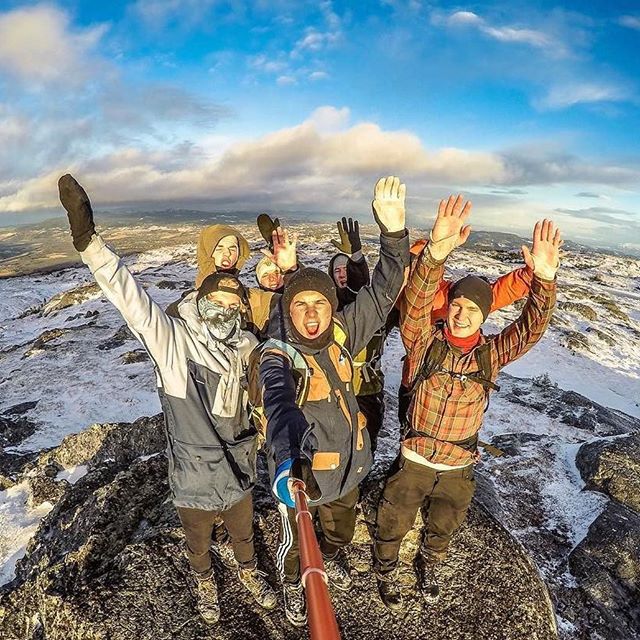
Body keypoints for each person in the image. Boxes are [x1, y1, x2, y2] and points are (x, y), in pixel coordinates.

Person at [57, 174, 277, 625]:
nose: (227, 310)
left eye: (234, 305)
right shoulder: (174, 342)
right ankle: (203, 581)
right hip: (193, 479)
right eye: (218, 300)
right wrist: (88, 241)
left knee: (243, 534)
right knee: (197, 542)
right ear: (201, 298)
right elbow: (130, 298)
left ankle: (248, 571)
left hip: (238, 471)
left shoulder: (245, 347)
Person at [373, 194, 560, 611]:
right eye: (456, 305)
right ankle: (386, 569)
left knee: (443, 526)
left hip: (460, 465)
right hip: (416, 457)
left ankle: (430, 565)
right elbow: (418, 303)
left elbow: (530, 329)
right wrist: (435, 251)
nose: (461, 314)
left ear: (484, 316)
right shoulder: (423, 343)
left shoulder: (492, 354)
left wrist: (543, 280)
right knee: (393, 520)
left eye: (472, 309)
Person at [259, 176, 410, 627]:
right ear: (288, 311)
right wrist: (285, 454)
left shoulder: (344, 332)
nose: (309, 314)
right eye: (299, 303)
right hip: (303, 476)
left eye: (319, 303)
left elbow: (384, 290)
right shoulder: (280, 349)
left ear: (331, 307)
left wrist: (394, 234)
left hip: (349, 469)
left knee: (339, 531)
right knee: (297, 543)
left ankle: (336, 556)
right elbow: (278, 396)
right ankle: (294, 585)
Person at [396, 240, 534, 426]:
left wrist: (532, 274)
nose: (416, 269)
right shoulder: (402, 288)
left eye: (419, 263)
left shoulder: (451, 296)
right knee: (407, 422)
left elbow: (502, 291)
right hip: (416, 374)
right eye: (413, 264)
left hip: (450, 374)